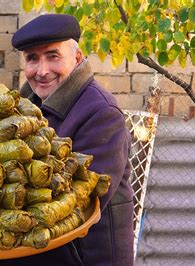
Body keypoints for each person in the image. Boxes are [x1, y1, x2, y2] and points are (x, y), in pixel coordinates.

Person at [10, 14, 133, 265]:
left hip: (85, 257)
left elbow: (81, 202)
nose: (42, 71)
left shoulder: (101, 112)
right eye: (32, 58)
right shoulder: (26, 104)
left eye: (53, 56)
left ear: (77, 57)